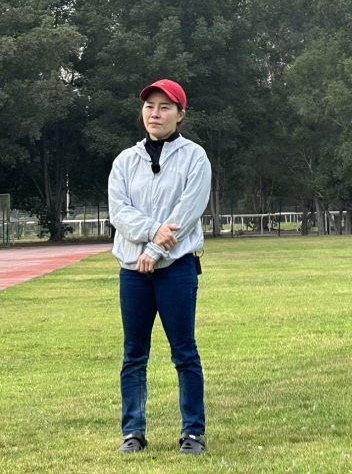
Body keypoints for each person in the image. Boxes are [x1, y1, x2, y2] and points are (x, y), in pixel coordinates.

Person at [108, 79, 211, 454]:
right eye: (150, 105)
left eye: (165, 107)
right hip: (133, 270)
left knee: (184, 352)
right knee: (134, 354)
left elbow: (187, 211)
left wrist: (156, 250)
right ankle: (132, 432)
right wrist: (152, 235)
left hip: (177, 269)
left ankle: (193, 433)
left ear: (180, 115)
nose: (155, 113)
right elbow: (120, 213)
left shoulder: (194, 157)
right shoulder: (125, 161)